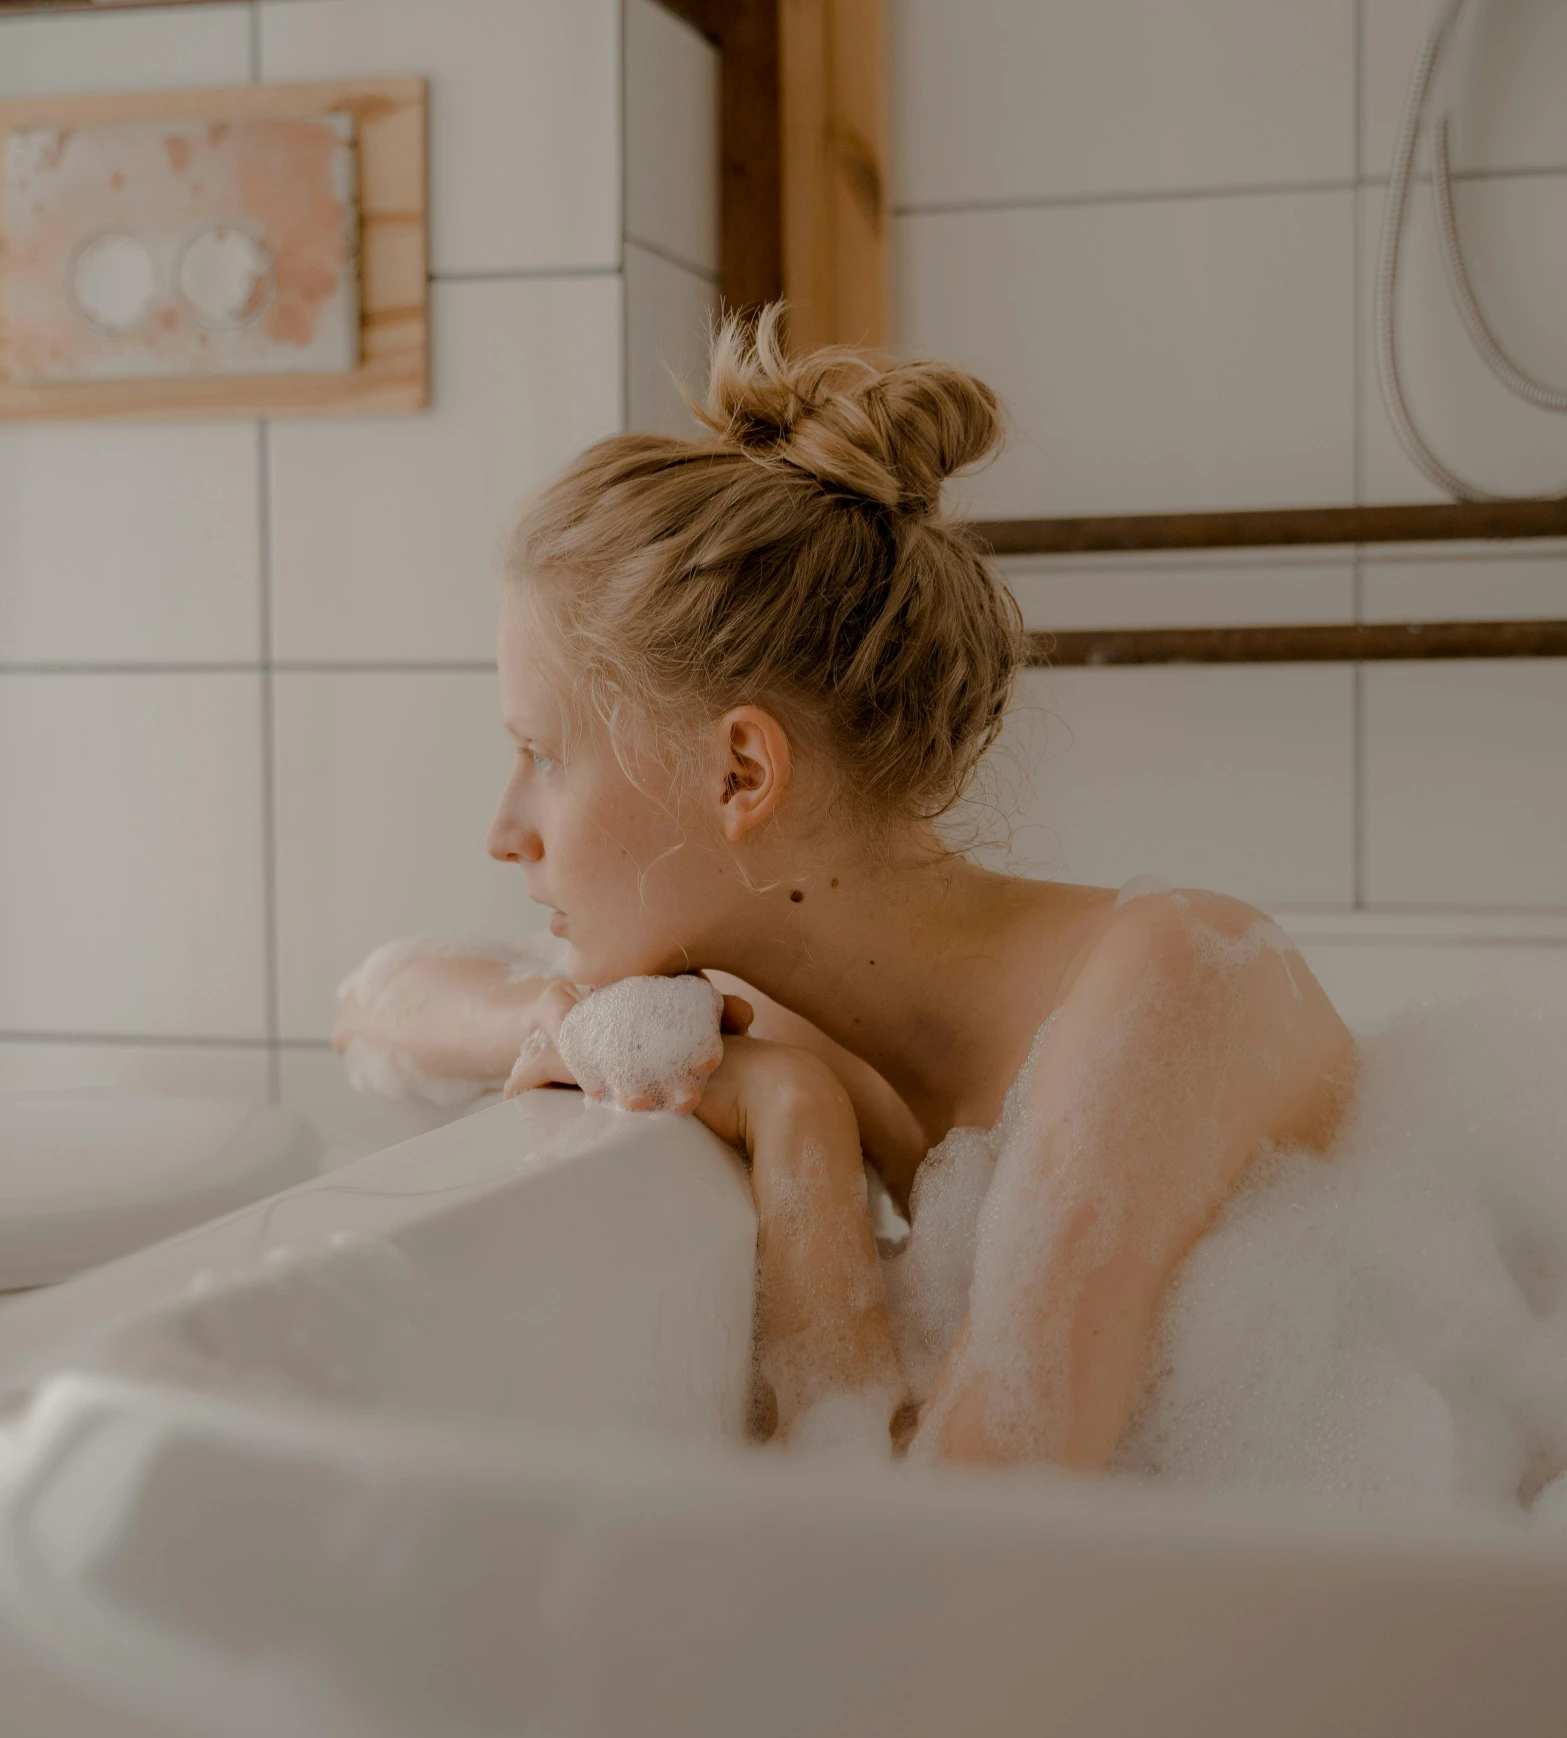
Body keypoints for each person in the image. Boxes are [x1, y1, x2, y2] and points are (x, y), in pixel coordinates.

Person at [333, 307, 1360, 1471]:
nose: (501, 832)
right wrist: (559, 1020)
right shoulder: (767, 998)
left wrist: (797, 1129)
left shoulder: (1172, 983)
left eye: (544, 756)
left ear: (740, 772)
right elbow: (375, 1005)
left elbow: (959, 1531)